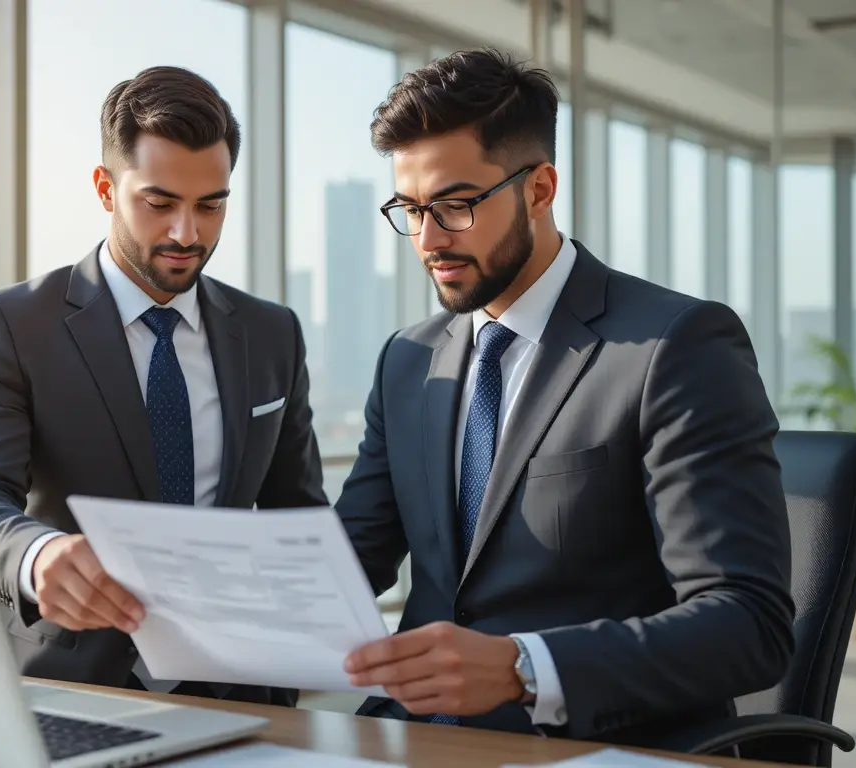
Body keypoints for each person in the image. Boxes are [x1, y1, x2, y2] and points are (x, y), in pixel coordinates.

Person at [334, 48, 795, 746]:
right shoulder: (410, 360)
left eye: (456, 205)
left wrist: (526, 669)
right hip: (418, 740)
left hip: (590, 746)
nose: (428, 239)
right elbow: (344, 565)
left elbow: (748, 623)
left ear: (540, 189)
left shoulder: (674, 346)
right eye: (411, 208)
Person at [0, 65, 327, 708]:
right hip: (69, 686)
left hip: (242, 694)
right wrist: (37, 556)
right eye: (159, 203)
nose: (187, 233)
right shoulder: (12, 325)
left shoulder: (272, 334)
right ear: (105, 187)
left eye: (211, 204)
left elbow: (298, 513)